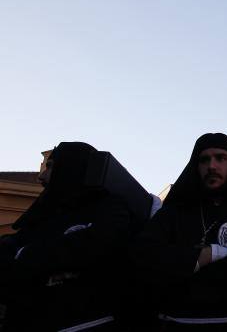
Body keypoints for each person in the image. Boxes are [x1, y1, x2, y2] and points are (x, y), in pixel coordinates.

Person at [131, 133, 227, 330]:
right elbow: (144, 258)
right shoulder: (174, 212)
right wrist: (206, 255)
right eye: (204, 160)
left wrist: (179, 267)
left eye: (221, 158)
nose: (212, 166)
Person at [0, 142, 134, 331]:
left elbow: (93, 247)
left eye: (51, 166)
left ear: (73, 167)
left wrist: (26, 255)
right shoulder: (42, 215)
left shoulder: (111, 209)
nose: (42, 176)